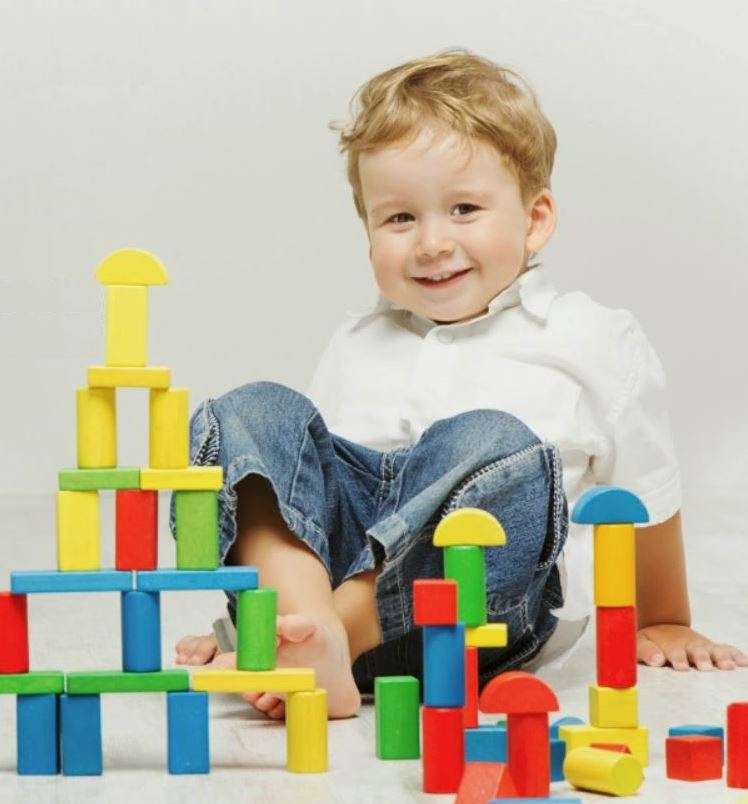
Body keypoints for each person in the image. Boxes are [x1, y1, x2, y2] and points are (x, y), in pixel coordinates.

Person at [173, 48, 747, 721]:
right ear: (367, 233)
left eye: (464, 209)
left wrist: (666, 617)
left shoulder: (590, 339)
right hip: (342, 607)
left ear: (534, 219)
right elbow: (305, 502)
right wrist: (239, 626)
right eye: (400, 219)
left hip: (483, 621)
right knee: (255, 410)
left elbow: (647, 488)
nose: (431, 243)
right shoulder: (354, 343)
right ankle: (293, 629)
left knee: (492, 439)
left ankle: (331, 632)